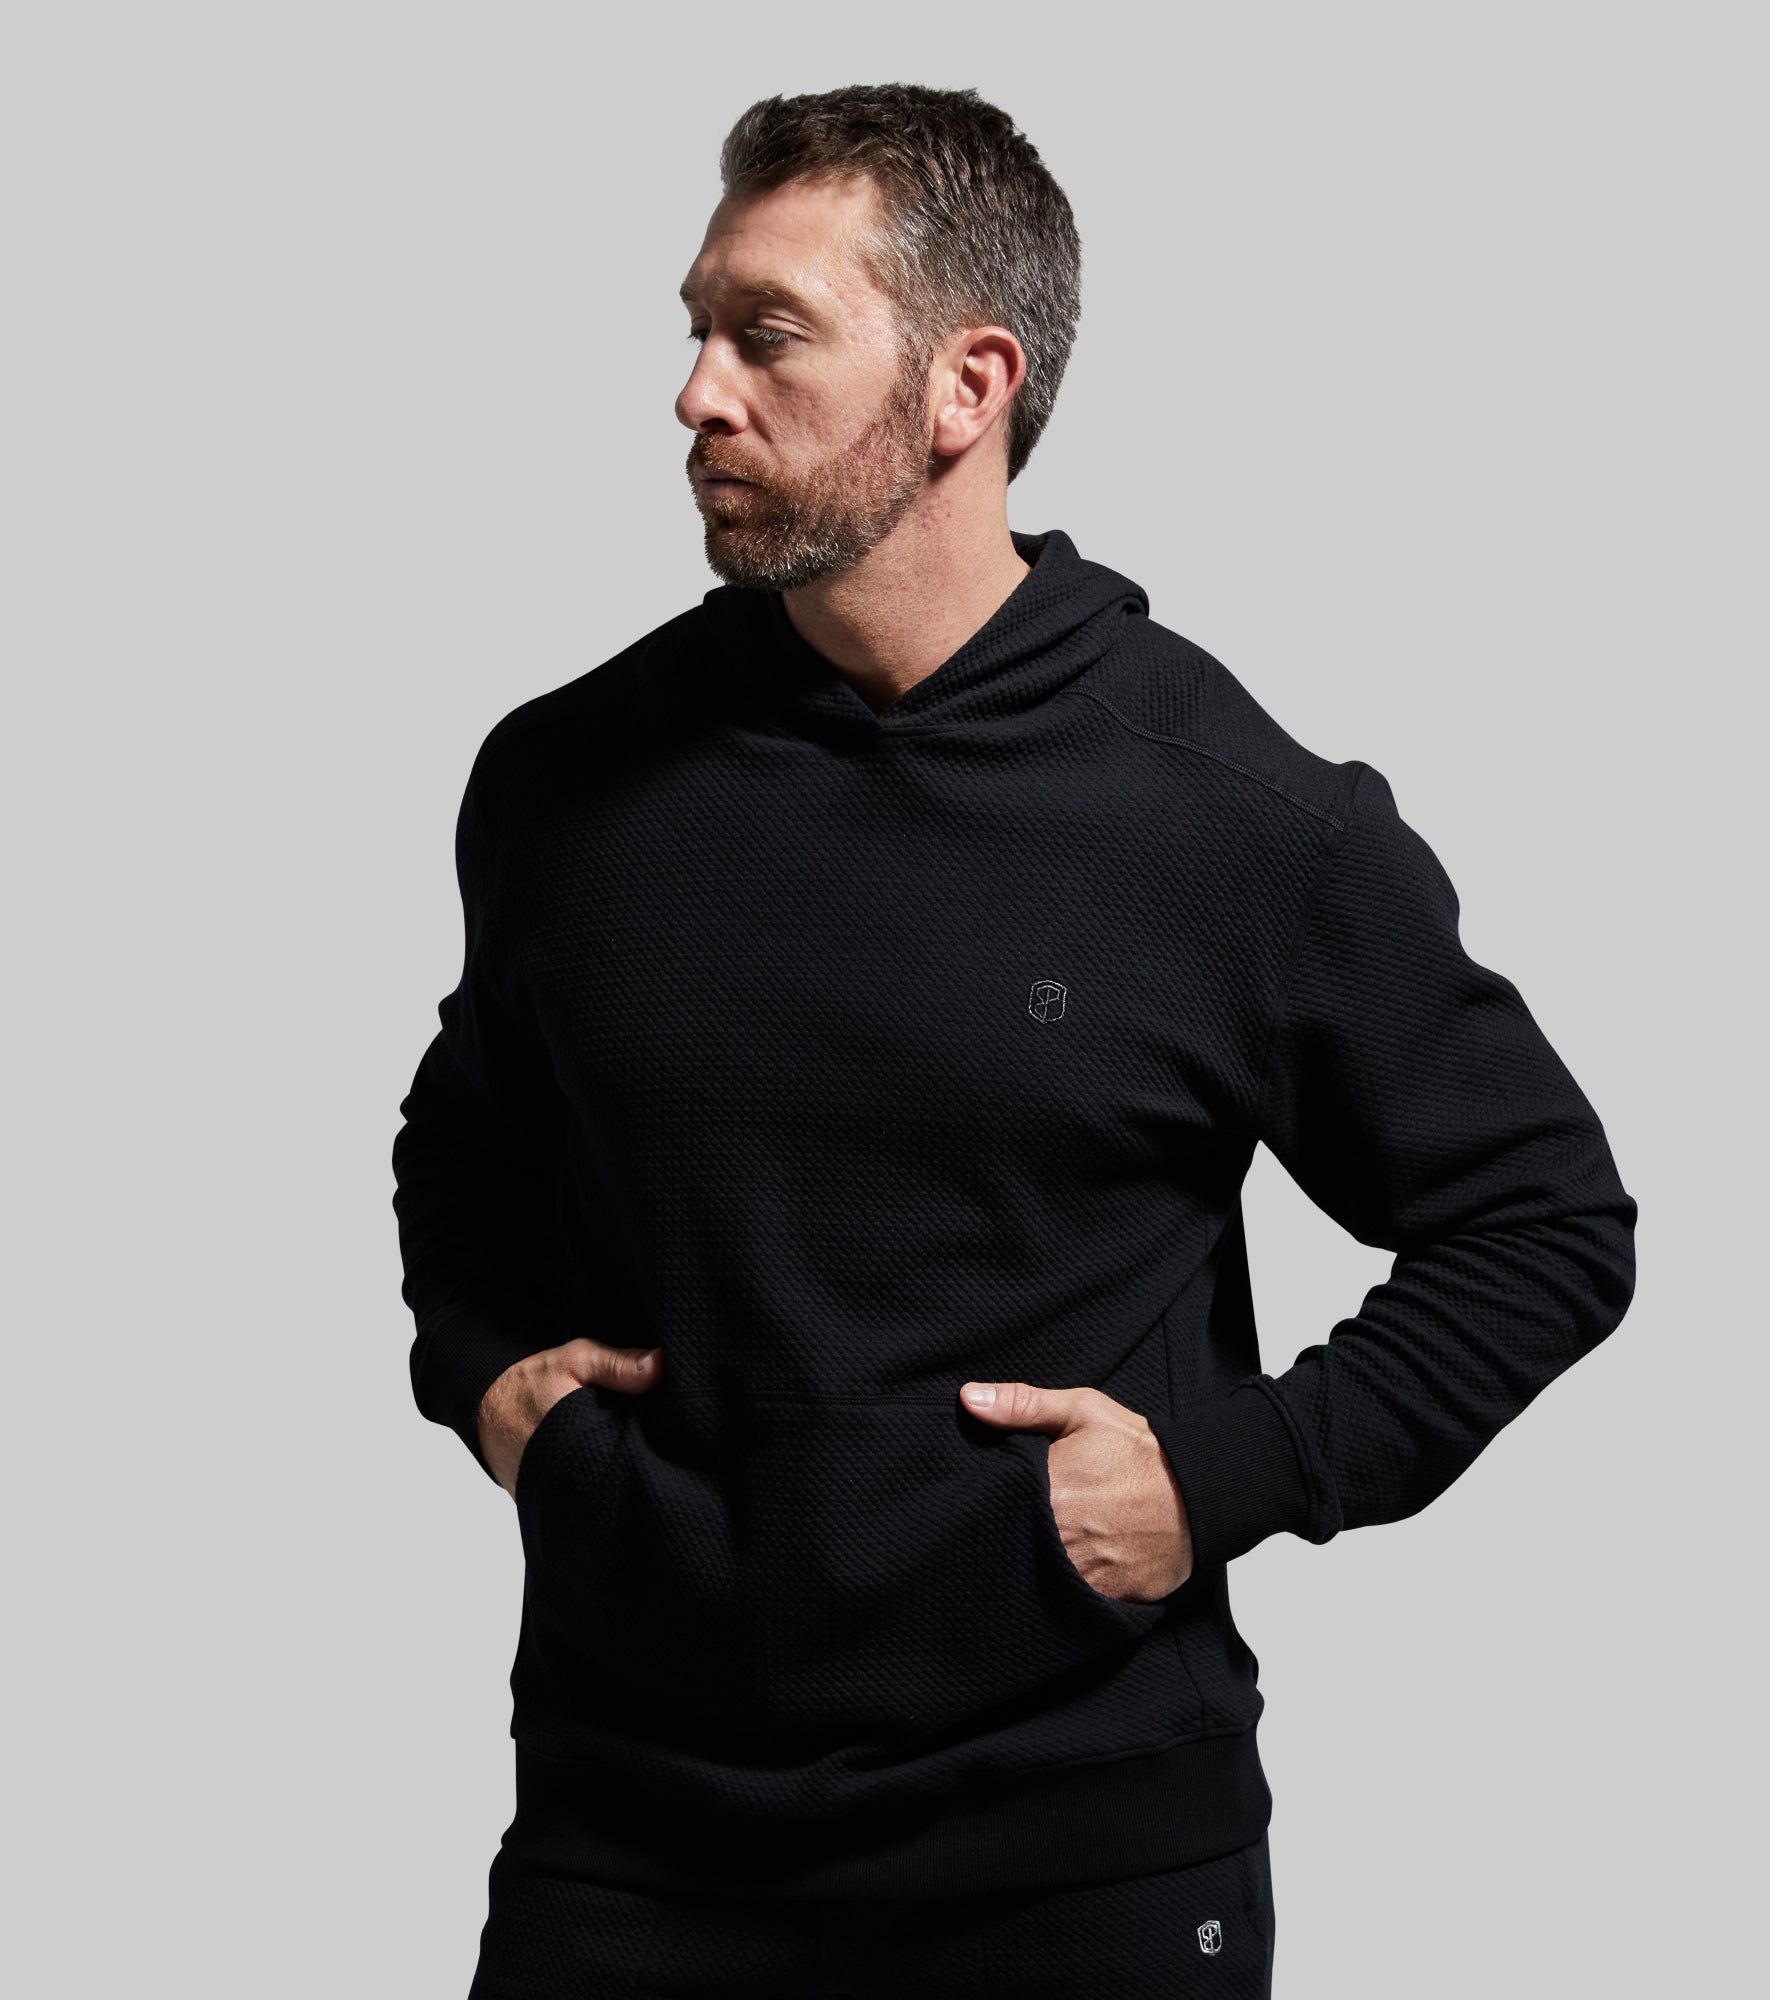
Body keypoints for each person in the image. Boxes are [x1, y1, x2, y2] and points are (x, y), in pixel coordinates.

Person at [391, 82, 1637, 1999]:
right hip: (631, 1844)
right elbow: (466, 1132)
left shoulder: (1225, 818)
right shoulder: (566, 781)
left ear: (970, 384)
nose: (698, 394)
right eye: (697, 329)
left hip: (1085, 1861)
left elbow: (1543, 1222)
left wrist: (1229, 1476)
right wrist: (486, 1375)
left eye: (770, 335)